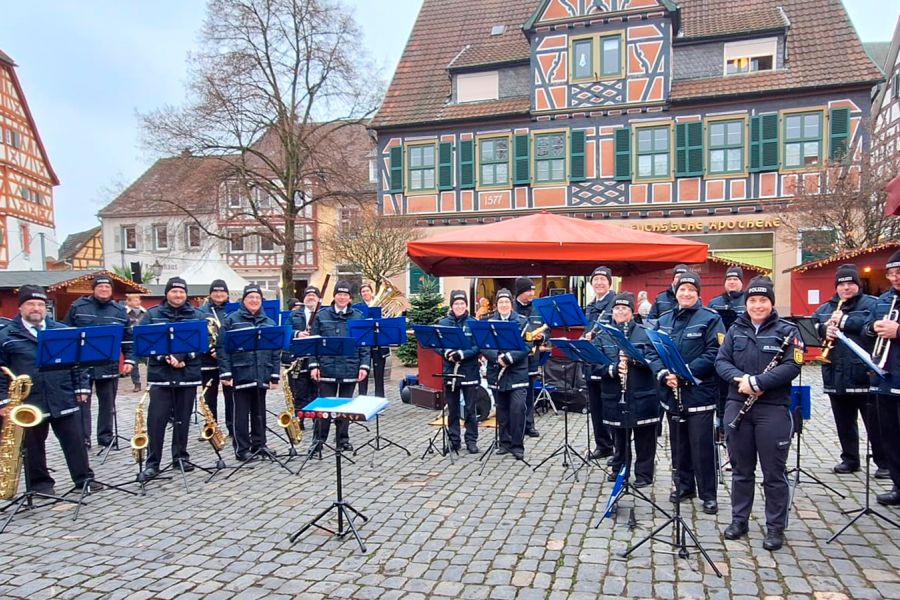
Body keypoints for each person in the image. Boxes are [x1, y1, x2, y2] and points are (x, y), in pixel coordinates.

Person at [716, 276, 802, 551]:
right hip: (737, 403)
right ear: (746, 303)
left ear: (771, 303)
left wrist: (759, 382)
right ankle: (739, 520)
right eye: (752, 300)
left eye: (763, 300)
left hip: (773, 408)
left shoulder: (788, 330)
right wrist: (742, 380)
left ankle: (775, 526)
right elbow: (721, 361)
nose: (757, 305)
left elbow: (792, 366)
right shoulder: (735, 329)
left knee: (773, 472)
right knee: (741, 469)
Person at [0, 285, 96, 494]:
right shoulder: (6, 336)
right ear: (20, 307)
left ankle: (84, 479)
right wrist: (3, 402)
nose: (36, 308)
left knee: (75, 440)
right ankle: (41, 485)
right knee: (33, 445)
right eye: (31, 304)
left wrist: (81, 388)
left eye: (40, 304)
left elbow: (78, 363)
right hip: (29, 402)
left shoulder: (62, 331)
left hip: (63, 395)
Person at [655, 271, 724, 515]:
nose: (686, 294)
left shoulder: (711, 319)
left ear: (698, 293)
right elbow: (652, 351)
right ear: (676, 292)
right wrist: (664, 374)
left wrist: (685, 373)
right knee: (679, 445)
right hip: (672, 392)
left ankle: (708, 494)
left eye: (691, 290)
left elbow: (715, 352)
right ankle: (684, 486)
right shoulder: (663, 320)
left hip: (699, 393)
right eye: (682, 289)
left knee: (702, 446)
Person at [813, 264, 886, 477]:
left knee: (875, 423)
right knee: (844, 422)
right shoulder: (826, 308)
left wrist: (845, 321)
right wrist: (823, 329)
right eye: (842, 284)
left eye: (850, 283)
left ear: (858, 284)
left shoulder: (872, 304)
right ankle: (850, 459)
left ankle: (884, 463)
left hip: (864, 374)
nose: (846, 288)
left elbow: (874, 326)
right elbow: (812, 325)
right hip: (835, 373)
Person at [139, 277, 203, 480]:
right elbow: (143, 342)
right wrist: (165, 357)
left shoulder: (197, 315)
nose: (178, 295)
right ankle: (153, 463)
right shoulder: (152, 315)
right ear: (167, 293)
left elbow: (204, 341)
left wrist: (182, 357)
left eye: (181, 292)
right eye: (174, 291)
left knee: (183, 420)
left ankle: (180, 456)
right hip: (160, 376)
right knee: (156, 421)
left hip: (187, 374)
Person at [597, 292, 662, 486]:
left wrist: (633, 360)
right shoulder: (603, 335)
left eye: (624, 308)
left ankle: (644, 474)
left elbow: (654, 359)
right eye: (617, 308)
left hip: (643, 393)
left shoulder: (645, 333)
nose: (620, 312)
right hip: (615, 393)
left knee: (645, 437)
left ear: (632, 312)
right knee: (619, 436)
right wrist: (613, 369)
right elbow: (593, 363)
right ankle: (619, 469)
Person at [64, 273, 134, 449]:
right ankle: (83, 438)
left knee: (107, 403)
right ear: (94, 289)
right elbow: (66, 334)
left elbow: (128, 338)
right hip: (81, 365)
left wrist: (130, 360)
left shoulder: (119, 311)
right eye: (100, 286)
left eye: (107, 287)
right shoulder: (78, 307)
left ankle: (105, 436)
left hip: (108, 364)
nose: (104, 289)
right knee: (81, 402)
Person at [218, 285, 280, 461]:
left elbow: (276, 351)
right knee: (240, 414)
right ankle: (242, 449)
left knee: (259, 412)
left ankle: (259, 445)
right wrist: (226, 373)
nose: (254, 300)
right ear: (244, 300)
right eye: (250, 297)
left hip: (261, 371)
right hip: (240, 373)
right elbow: (222, 348)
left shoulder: (269, 322)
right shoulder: (231, 320)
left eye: (257, 298)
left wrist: (274, 374)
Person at [309, 280, 370, 452]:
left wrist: (364, 366)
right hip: (326, 368)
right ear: (334, 296)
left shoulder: (358, 317)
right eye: (339, 294)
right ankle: (318, 440)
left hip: (350, 367)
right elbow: (313, 343)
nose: (342, 298)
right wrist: (314, 365)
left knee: (345, 407)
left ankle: (342, 439)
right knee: (325, 406)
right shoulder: (321, 316)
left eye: (345, 295)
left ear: (350, 298)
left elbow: (364, 345)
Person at [866, 249, 900, 506]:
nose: (895, 277)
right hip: (885, 378)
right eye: (891, 273)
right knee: (890, 436)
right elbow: (866, 328)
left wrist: (898, 331)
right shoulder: (884, 300)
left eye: (899, 273)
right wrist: (872, 327)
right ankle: (898, 485)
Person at [483, 289, 530, 460]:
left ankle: (517, 445)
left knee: (517, 408)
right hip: (497, 371)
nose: (504, 305)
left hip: (517, 372)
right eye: (501, 302)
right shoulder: (489, 322)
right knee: (502, 409)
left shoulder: (522, 322)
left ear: (512, 304)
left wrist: (510, 358)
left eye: (507, 302)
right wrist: (497, 357)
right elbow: (483, 344)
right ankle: (505, 443)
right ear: (496, 305)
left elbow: (527, 345)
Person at [438, 290, 481, 453]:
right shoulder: (443, 323)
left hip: (469, 370)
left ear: (466, 305)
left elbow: (478, 346)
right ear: (451, 305)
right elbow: (437, 344)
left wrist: (462, 354)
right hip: (450, 370)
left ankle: (471, 440)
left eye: (462, 303)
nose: (459, 306)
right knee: (453, 408)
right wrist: (447, 353)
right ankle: (454, 440)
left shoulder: (473, 323)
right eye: (456, 303)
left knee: (470, 409)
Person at [708, 266, 748, 440]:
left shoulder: (748, 301)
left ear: (741, 282)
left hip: (742, 355)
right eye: (729, 279)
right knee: (719, 392)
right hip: (720, 355)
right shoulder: (715, 302)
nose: (732, 282)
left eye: (735, 279)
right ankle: (720, 424)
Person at [583, 266, 616, 460]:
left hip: (607, 361)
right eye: (596, 279)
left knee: (610, 406)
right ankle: (603, 445)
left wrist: (597, 337)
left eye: (603, 279)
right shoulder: (590, 306)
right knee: (595, 407)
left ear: (609, 283)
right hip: (591, 361)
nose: (599, 283)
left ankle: (617, 447)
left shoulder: (615, 303)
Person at [198, 279, 234, 439]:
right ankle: (211, 427)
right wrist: (211, 349)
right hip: (208, 360)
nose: (219, 294)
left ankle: (233, 427)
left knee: (231, 396)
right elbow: (199, 333)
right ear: (210, 294)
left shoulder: (233, 310)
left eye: (222, 291)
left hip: (229, 360)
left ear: (227, 294)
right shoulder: (202, 311)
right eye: (216, 291)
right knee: (209, 396)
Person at [286, 287, 321, 430]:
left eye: (314, 295)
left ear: (318, 299)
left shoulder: (322, 315)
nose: (311, 297)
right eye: (308, 295)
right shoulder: (294, 315)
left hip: (316, 358)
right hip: (299, 358)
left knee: (316, 392)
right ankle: (299, 421)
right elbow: (286, 331)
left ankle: (317, 421)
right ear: (304, 298)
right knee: (299, 393)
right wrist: (297, 334)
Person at [513, 277, 542, 438]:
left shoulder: (537, 308)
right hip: (516, 359)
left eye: (533, 290)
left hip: (532, 358)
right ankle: (515, 426)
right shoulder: (510, 307)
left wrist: (542, 337)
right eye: (529, 290)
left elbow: (546, 329)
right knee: (515, 395)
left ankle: (529, 425)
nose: (532, 293)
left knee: (529, 393)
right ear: (520, 292)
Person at [358, 282, 389, 398]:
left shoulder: (381, 306)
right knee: (362, 374)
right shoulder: (358, 308)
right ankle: (362, 398)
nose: (365, 293)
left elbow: (388, 322)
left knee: (379, 375)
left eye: (367, 291)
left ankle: (380, 399)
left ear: (372, 292)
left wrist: (384, 318)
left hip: (379, 344)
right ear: (361, 294)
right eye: (363, 291)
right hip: (364, 344)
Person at [124, 294, 146, 392]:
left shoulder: (144, 312)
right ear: (128, 302)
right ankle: (137, 383)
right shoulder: (124, 313)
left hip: (144, 340)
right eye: (135, 300)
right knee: (133, 363)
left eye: (138, 300)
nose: (138, 302)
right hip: (131, 341)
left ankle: (150, 383)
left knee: (149, 361)